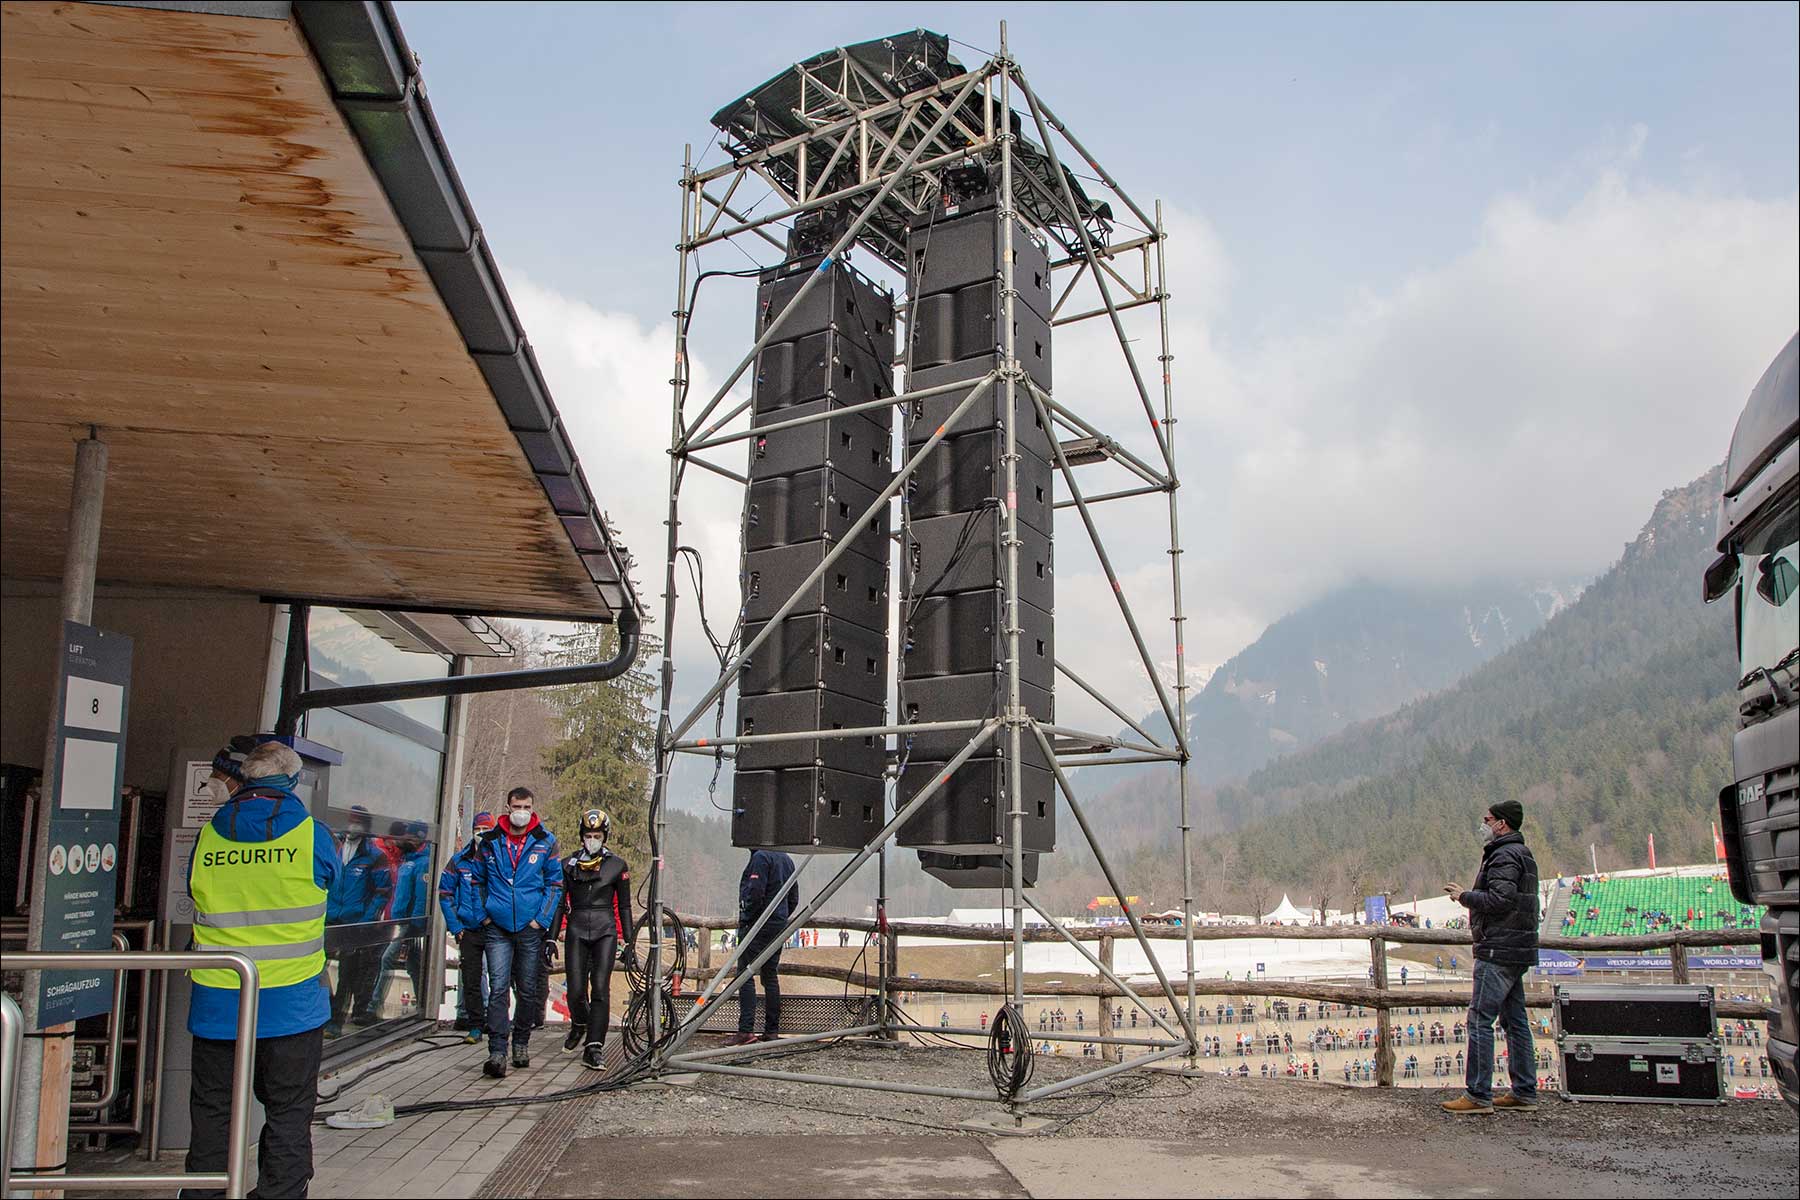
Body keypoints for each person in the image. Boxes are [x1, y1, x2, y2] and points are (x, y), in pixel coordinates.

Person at [186, 738, 339, 1198]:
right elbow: (342, 895)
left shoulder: (210, 831)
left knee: (214, 1111)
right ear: (292, 781)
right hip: (293, 1002)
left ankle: (206, 1192)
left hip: (219, 1002)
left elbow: (194, 892)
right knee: (290, 1112)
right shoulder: (312, 834)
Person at [1441, 799, 1540, 1115]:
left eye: (1487, 819)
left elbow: (1500, 899)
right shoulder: (1522, 854)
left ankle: (1478, 1093)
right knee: (1515, 1020)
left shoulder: (1504, 856)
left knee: (1480, 1019)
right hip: (1516, 948)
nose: (1483, 824)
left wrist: (1464, 897)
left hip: (1498, 947)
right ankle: (1524, 1090)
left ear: (1502, 824)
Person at [472, 787, 562, 1077]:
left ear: (532, 807)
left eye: (526, 806)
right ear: (508, 808)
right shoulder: (490, 841)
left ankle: (521, 1042)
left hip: (529, 926)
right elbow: (476, 881)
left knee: (527, 989)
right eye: (516, 806)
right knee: (498, 988)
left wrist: (541, 920)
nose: (521, 811)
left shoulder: (545, 842)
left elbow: (554, 884)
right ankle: (497, 1051)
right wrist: (483, 916)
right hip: (497, 925)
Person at [554, 809, 638, 1069]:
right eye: (589, 835)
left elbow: (624, 906)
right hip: (577, 929)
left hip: (605, 930)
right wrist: (551, 936)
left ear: (605, 836)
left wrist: (629, 941)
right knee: (576, 991)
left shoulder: (617, 865)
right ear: (581, 836)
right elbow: (559, 903)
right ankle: (580, 1022)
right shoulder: (567, 865)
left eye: (597, 835)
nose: (593, 839)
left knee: (600, 988)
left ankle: (594, 1046)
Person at [323, 805, 392, 1036]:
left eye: (357, 823)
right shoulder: (335, 849)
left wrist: (366, 920)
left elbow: (382, 891)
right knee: (317, 969)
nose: (352, 827)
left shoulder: (374, 856)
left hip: (354, 922)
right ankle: (325, 1012)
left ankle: (336, 1022)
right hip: (330, 918)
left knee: (347, 976)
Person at [725, 847, 797, 1046]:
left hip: (758, 924)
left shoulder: (760, 857)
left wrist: (748, 916)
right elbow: (794, 897)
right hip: (777, 924)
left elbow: (755, 892)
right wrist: (781, 917)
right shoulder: (786, 858)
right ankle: (771, 1030)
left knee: (745, 974)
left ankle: (746, 1030)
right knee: (770, 975)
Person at [439, 811, 496, 1043]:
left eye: (486, 830)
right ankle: (474, 1025)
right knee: (471, 979)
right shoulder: (459, 861)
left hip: (494, 928)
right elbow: (445, 894)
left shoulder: (499, 859)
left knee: (498, 979)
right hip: (469, 929)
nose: (482, 835)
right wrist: (456, 926)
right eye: (478, 830)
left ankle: (496, 1023)